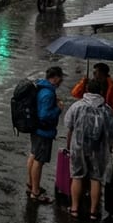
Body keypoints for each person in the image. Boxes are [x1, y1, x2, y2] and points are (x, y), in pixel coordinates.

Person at [63, 78, 113, 219]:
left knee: (77, 176)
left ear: (87, 90)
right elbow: (112, 133)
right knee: (96, 178)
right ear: (101, 91)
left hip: (78, 147)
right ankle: (93, 211)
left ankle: (74, 208)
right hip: (99, 149)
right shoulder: (108, 110)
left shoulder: (77, 106)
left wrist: (68, 146)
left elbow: (69, 127)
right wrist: (109, 149)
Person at [27, 66, 64, 204]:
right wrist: (58, 109)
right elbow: (44, 115)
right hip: (43, 132)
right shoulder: (48, 93)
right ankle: (35, 192)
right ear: (55, 78)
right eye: (60, 78)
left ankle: (31, 184)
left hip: (35, 129)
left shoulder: (41, 87)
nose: (61, 81)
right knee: (39, 161)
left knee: (33, 155)